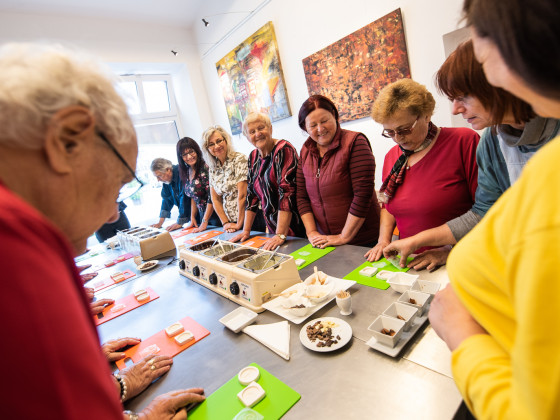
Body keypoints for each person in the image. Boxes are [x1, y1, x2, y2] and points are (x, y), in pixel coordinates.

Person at [0, 42, 204, 419]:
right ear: (67, 140)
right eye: (119, 184)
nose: (114, 213)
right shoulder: (14, 247)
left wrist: (88, 369)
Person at [429, 0, 560, 419]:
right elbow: (488, 215)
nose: (455, 108)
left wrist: (459, 332)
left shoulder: (550, 175)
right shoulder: (493, 143)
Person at [382, 40, 560, 270]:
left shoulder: (468, 140)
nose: (455, 109)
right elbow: (481, 213)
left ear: (499, 83)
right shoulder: (492, 141)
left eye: (463, 97)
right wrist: (416, 242)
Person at [364, 78, 479, 262]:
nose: (398, 139)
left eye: (404, 129)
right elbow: (387, 206)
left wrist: (450, 252)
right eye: (390, 132)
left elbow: (487, 212)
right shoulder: (393, 157)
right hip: (409, 260)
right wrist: (383, 241)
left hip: (463, 258)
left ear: (426, 115)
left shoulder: (463, 142)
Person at [296, 95, 380, 248]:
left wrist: (344, 236)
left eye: (324, 121)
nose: (320, 129)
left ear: (334, 116)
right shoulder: (305, 151)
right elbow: (302, 197)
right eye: (313, 125)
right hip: (325, 240)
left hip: (363, 240)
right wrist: (312, 232)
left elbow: (363, 194)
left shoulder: (355, 142)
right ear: (305, 128)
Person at [230, 112, 305, 250]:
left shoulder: (283, 149)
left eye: (261, 128)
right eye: (252, 131)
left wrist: (281, 234)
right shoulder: (253, 156)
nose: (257, 134)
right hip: (274, 231)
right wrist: (246, 230)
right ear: (247, 137)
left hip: (294, 228)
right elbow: (251, 196)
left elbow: (287, 193)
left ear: (270, 128)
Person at [201, 125, 250, 233]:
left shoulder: (239, 159)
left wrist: (239, 224)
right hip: (230, 223)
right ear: (207, 149)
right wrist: (225, 223)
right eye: (211, 144)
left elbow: (243, 196)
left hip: (248, 220)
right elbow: (215, 199)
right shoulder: (213, 167)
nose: (216, 146)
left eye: (219, 141)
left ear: (226, 140)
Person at [176, 136, 221, 232]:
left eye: (191, 152)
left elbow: (212, 197)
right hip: (202, 217)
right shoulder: (187, 171)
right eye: (184, 154)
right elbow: (193, 196)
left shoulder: (206, 166)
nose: (189, 157)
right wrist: (193, 218)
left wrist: (205, 221)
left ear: (197, 150)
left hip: (216, 216)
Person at [150, 157, 191, 231]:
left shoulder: (181, 173)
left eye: (159, 176)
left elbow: (184, 198)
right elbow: (166, 200)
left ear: (168, 170)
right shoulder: (166, 181)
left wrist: (180, 222)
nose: (158, 180)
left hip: (200, 214)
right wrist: (160, 223)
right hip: (190, 217)